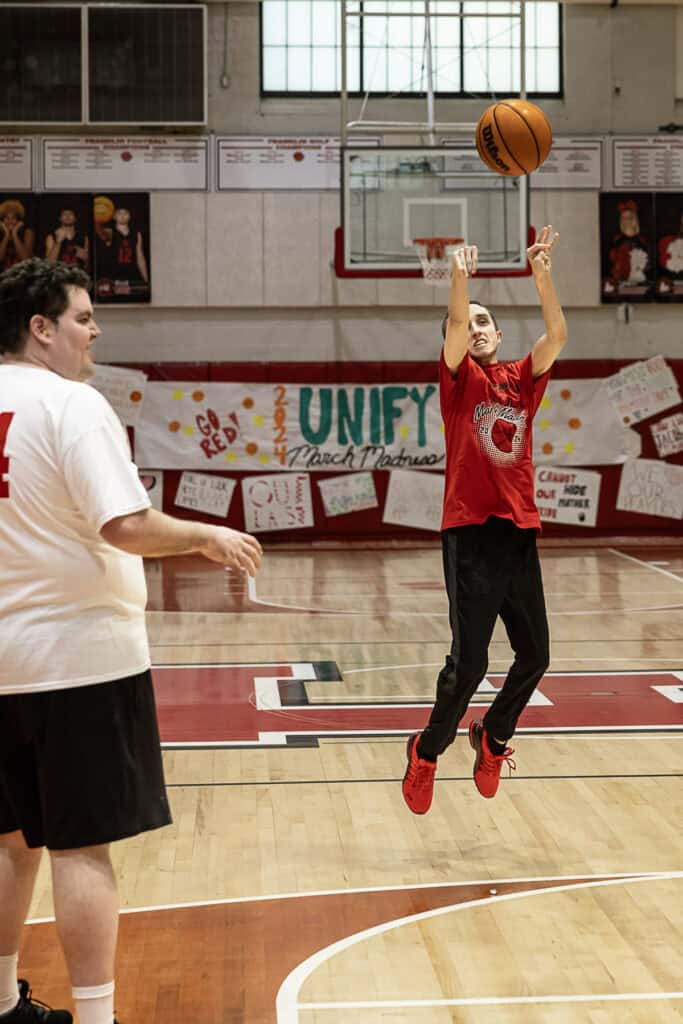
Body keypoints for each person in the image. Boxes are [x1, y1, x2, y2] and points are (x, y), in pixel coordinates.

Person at [0, 258, 263, 1023]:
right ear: (41, 329)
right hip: (76, 660)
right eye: (83, 318)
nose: (95, 332)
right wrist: (204, 537)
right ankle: (97, 1018)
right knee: (82, 849)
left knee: (9, 840)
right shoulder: (71, 405)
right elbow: (125, 524)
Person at [402, 225, 568, 815]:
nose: (473, 327)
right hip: (470, 531)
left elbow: (556, 334)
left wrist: (542, 276)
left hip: (518, 531)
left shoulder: (522, 379)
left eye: (483, 321)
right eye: (465, 322)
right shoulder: (459, 381)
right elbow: (451, 325)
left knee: (536, 655)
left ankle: (492, 737)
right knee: (470, 661)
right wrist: (460, 276)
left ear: (498, 334)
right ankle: (427, 750)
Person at [94, 208, 148, 299]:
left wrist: (146, 280)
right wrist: (99, 218)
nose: (122, 215)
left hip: (132, 276)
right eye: (119, 213)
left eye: (125, 213)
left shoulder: (137, 234)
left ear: (129, 217)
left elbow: (140, 257)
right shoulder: (109, 232)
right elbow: (100, 231)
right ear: (114, 217)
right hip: (113, 276)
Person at [0, 201, 35, 272]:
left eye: (13, 218)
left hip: (22, 275)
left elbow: (26, 259)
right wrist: (6, 235)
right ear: (2, 220)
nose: (10, 221)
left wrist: (14, 234)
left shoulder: (27, 232)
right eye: (7, 218)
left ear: (19, 220)